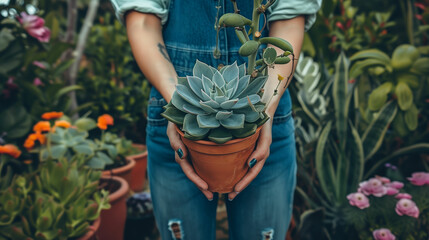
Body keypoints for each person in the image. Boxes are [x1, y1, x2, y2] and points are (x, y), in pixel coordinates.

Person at [110, 0, 321, 239]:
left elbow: (289, 17)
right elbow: (143, 21)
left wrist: (264, 112)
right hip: (175, 111)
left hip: (264, 113)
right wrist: (180, 106)